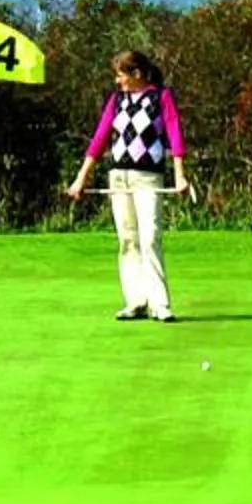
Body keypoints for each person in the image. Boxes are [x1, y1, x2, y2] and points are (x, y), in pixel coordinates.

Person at [65, 50, 190, 323]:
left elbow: (175, 135)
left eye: (121, 75)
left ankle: (160, 304)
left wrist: (180, 176)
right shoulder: (117, 100)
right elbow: (100, 137)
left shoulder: (161, 97)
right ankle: (136, 301)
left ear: (137, 74)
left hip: (148, 177)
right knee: (128, 239)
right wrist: (81, 177)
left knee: (150, 237)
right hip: (119, 176)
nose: (117, 80)